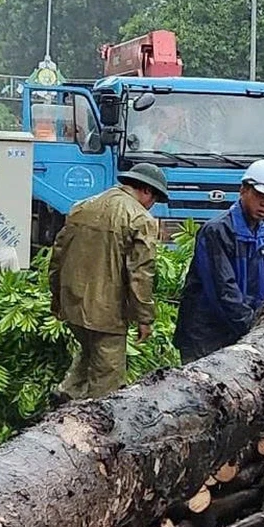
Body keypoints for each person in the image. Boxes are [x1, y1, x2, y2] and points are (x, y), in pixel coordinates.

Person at [48, 163, 169, 401]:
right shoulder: (140, 219)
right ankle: (92, 425)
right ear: (146, 191)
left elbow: (57, 257)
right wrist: (144, 318)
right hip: (107, 312)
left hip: (73, 304)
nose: (152, 206)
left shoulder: (82, 207)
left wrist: (57, 299)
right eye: (154, 199)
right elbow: (140, 274)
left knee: (89, 352)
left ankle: (66, 395)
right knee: (107, 382)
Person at [175, 158, 264, 363]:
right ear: (243, 190)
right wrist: (254, 330)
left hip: (243, 332)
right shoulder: (217, 232)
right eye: (259, 196)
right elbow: (224, 292)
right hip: (206, 336)